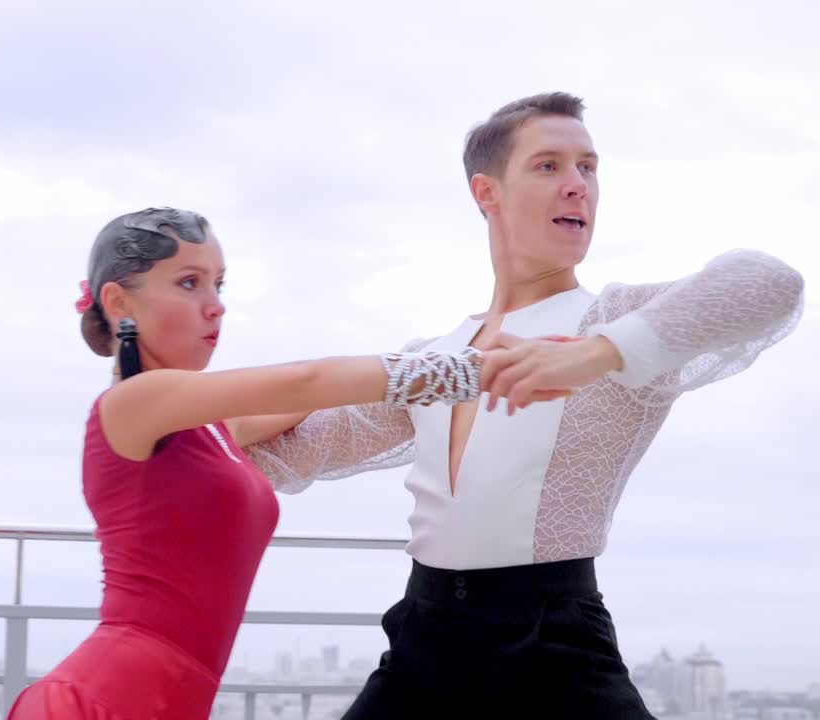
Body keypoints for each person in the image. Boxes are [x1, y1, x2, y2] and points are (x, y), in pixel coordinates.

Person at [246, 91, 806, 718]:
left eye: (588, 167)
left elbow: (770, 283)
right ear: (487, 194)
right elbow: (287, 453)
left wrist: (596, 352)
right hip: (420, 643)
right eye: (549, 166)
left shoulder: (609, 321)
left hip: (555, 649)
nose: (578, 186)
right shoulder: (436, 354)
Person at [6, 207, 567, 720]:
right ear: (118, 302)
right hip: (101, 699)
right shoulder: (132, 404)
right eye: (188, 282)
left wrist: (467, 342)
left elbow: (313, 399)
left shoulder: (209, 430)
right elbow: (306, 378)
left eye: (218, 283)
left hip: (171, 697)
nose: (216, 303)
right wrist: (475, 369)